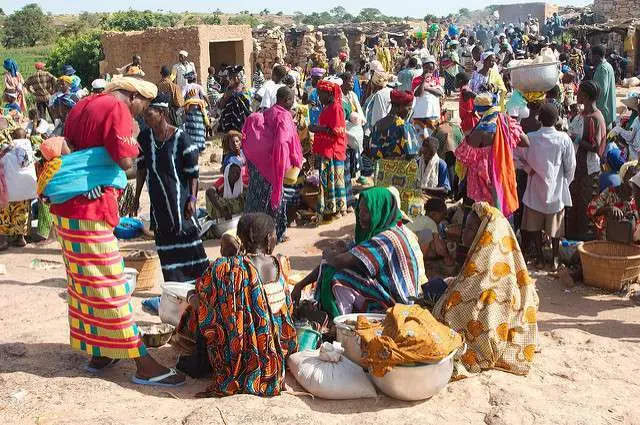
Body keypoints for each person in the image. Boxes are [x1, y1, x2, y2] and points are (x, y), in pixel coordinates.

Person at [42, 76, 185, 386]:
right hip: (90, 212)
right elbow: (125, 161)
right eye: (141, 108)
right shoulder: (116, 109)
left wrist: (89, 177)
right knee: (109, 286)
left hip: (69, 211)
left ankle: (100, 351)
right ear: (132, 96)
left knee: (85, 285)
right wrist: (129, 148)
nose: (138, 115)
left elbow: (71, 152)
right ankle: (143, 364)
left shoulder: (82, 105)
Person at [174, 213, 297, 396]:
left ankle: (201, 361)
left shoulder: (224, 268)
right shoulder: (278, 265)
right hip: (272, 363)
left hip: (232, 359)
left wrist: (191, 296)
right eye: (274, 236)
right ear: (268, 239)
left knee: (197, 306)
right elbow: (287, 314)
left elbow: (205, 310)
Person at [429, 202, 538, 377]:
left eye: (470, 228)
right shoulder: (482, 259)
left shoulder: (488, 276)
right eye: (465, 227)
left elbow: (471, 312)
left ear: (487, 234)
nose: (464, 231)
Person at [292, 187, 427, 317]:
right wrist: (300, 284)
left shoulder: (388, 238)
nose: (361, 216)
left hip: (400, 304)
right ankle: (332, 313)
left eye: (367, 212)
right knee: (330, 266)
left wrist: (329, 254)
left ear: (379, 211)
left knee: (340, 276)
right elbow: (345, 256)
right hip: (386, 293)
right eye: (360, 210)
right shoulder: (376, 232)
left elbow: (339, 261)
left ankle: (337, 321)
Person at [133, 92, 208, 284]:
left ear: (162, 113)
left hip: (181, 204)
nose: (146, 119)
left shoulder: (182, 139)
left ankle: (201, 286)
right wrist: (136, 197)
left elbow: (193, 174)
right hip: (159, 206)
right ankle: (175, 288)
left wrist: (192, 199)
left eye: (150, 115)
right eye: (145, 116)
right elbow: (141, 169)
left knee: (190, 244)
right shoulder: (144, 138)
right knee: (166, 248)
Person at [455, 91, 529, 218]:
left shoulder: (477, 133)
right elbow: (525, 141)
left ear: (478, 111)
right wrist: (504, 144)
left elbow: (462, 156)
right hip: (501, 177)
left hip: (480, 186)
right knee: (500, 219)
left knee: (482, 220)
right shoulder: (506, 123)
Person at [520, 104, 576, 270]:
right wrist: (566, 182)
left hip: (535, 188)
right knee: (556, 229)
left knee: (534, 227)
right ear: (557, 120)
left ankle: (538, 257)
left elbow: (516, 156)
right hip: (556, 189)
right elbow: (571, 165)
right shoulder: (563, 139)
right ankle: (555, 259)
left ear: (539, 119)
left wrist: (528, 169)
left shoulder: (530, 137)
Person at [243, 87, 303, 241]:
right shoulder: (284, 116)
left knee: (255, 195)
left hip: (257, 160)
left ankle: (249, 232)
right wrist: (282, 163)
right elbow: (282, 141)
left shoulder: (269, 111)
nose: (293, 103)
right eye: (292, 100)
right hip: (271, 162)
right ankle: (276, 234)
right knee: (274, 198)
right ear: (286, 100)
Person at [566, 81, 607, 241]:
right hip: (578, 167)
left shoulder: (594, 118)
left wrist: (575, 138)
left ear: (587, 96)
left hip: (586, 169)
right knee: (575, 203)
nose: (577, 95)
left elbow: (595, 146)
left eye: (580, 93)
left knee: (584, 205)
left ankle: (582, 242)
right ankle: (573, 238)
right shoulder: (584, 115)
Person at [310, 80, 349, 222]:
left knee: (332, 180)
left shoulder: (336, 108)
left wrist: (317, 128)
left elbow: (337, 130)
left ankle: (334, 209)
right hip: (327, 149)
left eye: (321, 95)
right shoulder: (328, 107)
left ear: (328, 93)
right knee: (330, 180)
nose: (319, 98)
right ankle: (334, 208)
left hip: (332, 150)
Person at [0, 128, 36, 250]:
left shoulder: (9, 149)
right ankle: (20, 238)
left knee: (5, 212)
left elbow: (3, 163)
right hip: (26, 190)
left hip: (10, 191)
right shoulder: (29, 150)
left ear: (13, 136)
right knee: (22, 211)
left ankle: (3, 239)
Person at [588, 162, 640, 242]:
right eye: (630, 177)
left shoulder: (636, 195)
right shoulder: (610, 192)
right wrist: (609, 209)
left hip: (630, 244)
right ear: (623, 178)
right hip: (608, 241)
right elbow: (591, 209)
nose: (632, 182)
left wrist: (635, 216)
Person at [340, 72, 365, 184]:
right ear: (343, 83)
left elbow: (359, 110)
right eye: (350, 81)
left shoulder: (352, 95)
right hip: (345, 129)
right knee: (348, 154)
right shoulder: (339, 98)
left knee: (356, 152)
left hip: (355, 128)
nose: (352, 83)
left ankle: (356, 175)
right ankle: (348, 178)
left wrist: (359, 119)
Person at [412, 56, 444, 135]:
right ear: (423, 67)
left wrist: (427, 89)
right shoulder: (417, 79)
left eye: (432, 69)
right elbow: (418, 94)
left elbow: (439, 93)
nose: (429, 71)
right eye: (427, 68)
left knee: (432, 138)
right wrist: (423, 80)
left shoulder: (435, 80)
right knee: (420, 139)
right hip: (419, 114)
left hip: (433, 114)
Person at [590, 45, 617, 128]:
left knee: (602, 138)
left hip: (603, 111)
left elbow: (601, 91)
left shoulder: (602, 69)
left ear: (597, 56)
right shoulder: (608, 66)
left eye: (591, 55)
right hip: (608, 110)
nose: (590, 57)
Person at [219, 66, 251, 133]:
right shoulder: (229, 89)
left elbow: (247, 103)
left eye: (237, 76)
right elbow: (222, 104)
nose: (236, 78)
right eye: (233, 77)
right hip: (229, 117)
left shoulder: (243, 88)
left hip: (241, 117)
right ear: (231, 78)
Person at [182, 72, 209, 152]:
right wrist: (209, 104)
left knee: (190, 127)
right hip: (199, 109)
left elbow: (182, 97)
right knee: (199, 127)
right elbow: (204, 96)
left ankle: (190, 145)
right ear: (195, 79)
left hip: (189, 110)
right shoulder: (199, 87)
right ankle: (200, 145)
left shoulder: (186, 87)